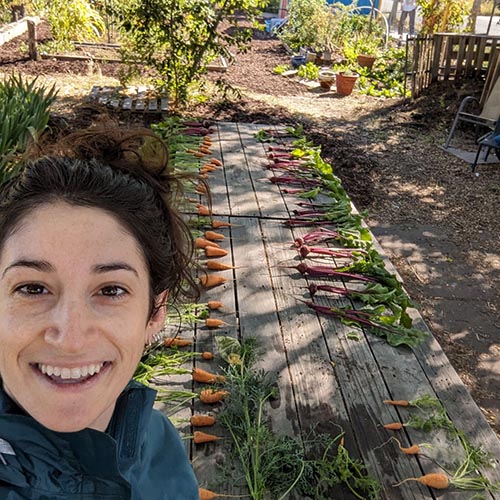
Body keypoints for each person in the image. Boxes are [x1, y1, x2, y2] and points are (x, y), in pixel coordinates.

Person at [0, 126, 200, 499]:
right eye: (32, 288)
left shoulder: (159, 445)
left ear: (155, 313)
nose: (71, 338)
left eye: (111, 290)